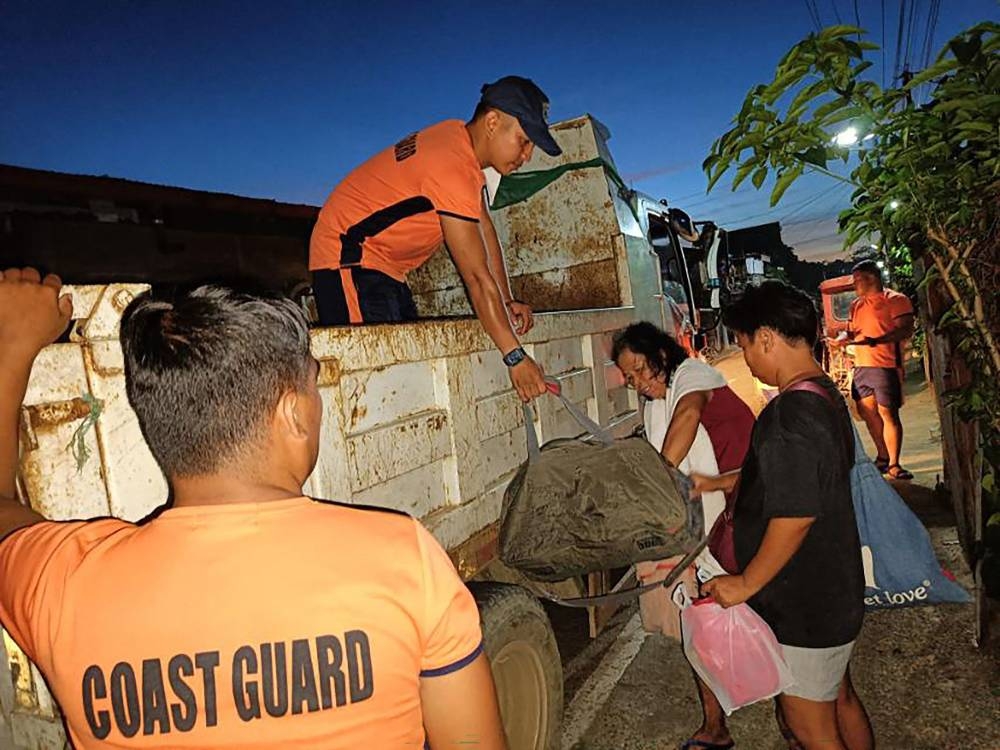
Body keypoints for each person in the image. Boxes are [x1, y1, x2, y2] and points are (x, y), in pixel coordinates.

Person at [0, 267, 507, 750]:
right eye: (314, 383)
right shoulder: (404, 559)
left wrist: (13, 347)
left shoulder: (64, 583)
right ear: (293, 413)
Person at [696, 281, 873, 750]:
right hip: (834, 585)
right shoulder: (823, 397)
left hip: (805, 602)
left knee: (809, 723)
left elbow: (794, 515)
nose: (747, 358)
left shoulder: (788, 416)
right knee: (839, 699)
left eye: (744, 345)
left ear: (768, 338)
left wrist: (745, 583)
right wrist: (718, 483)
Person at [310, 75, 562, 403]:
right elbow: (474, 276)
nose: (527, 155)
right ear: (493, 121)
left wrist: (506, 301)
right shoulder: (451, 164)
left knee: (406, 375)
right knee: (373, 389)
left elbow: (485, 232)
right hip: (346, 258)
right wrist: (515, 356)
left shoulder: (458, 143)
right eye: (524, 141)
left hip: (385, 268)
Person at [613, 321, 756, 750]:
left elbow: (689, 416)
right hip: (706, 524)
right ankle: (715, 725)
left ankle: (799, 713)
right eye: (629, 378)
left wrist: (658, 486)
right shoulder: (655, 403)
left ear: (661, 355)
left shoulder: (692, 374)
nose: (637, 383)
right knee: (700, 620)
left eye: (640, 370)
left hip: (746, 508)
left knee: (763, 608)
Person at [830, 259, 915, 480]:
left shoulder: (896, 300)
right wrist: (840, 340)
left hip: (885, 365)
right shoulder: (856, 305)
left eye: (857, 279)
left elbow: (905, 330)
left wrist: (875, 341)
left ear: (871, 278)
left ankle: (895, 463)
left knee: (888, 413)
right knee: (868, 414)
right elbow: (850, 332)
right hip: (861, 366)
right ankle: (882, 456)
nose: (854, 284)